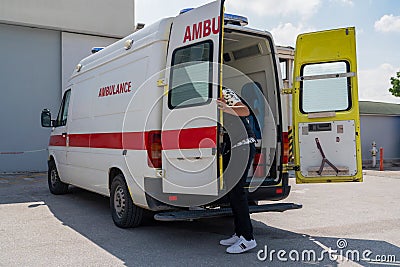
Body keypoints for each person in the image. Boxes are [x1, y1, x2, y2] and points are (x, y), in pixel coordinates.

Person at [217, 87, 257, 254]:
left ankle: (248, 239)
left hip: (243, 145)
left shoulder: (224, 91)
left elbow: (245, 110)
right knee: (233, 193)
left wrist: (226, 108)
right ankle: (239, 233)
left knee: (237, 193)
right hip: (233, 147)